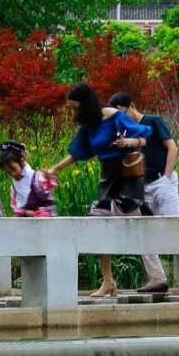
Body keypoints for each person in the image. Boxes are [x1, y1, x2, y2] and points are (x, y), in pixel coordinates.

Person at [47, 83, 150, 298]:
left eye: (76, 108)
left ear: (86, 104)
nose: (73, 113)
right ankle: (108, 280)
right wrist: (55, 168)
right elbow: (77, 153)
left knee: (134, 224)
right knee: (98, 224)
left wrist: (127, 142)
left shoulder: (113, 116)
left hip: (127, 176)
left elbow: (143, 135)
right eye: (71, 108)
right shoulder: (89, 125)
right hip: (107, 178)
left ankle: (156, 274)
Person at [110, 93, 179, 292]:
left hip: (162, 181)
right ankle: (157, 278)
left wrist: (166, 177)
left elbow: (172, 147)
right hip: (142, 186)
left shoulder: (153, 121)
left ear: (131, 106)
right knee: (142, 231)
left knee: (174, 225)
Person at [0, 141, 57, 218]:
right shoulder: (14, 187)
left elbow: (49, 190)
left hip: (43, 219)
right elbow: (16, 205)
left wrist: (48, 177)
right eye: (8, 172)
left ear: (21, 162)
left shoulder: (37, 178)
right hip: (26, 220)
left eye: (13, 169)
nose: (12, 174)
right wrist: (24, 212)